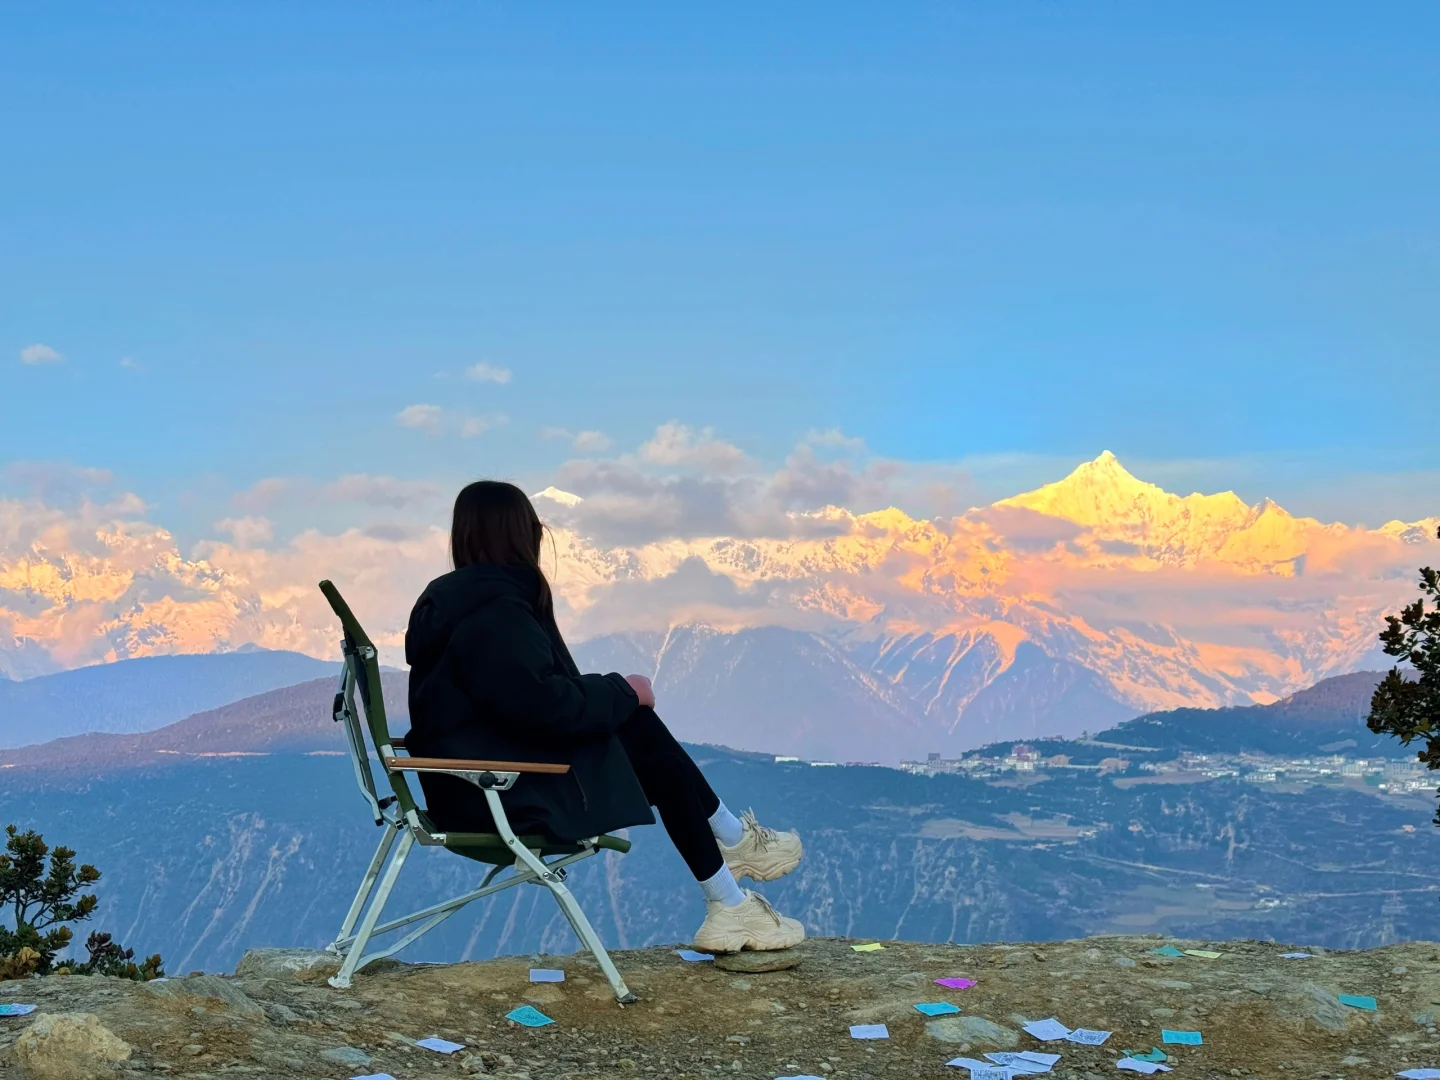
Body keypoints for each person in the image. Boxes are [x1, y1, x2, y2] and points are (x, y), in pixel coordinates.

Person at [404, 480, 806, 953]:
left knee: (634, 722)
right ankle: (730, 876)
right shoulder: (496, 613)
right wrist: (624, 691)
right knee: (637, 725)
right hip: (498, 792)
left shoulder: (462, 606)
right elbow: (544, 706)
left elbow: (524, 696)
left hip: (476, 783)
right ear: (521, 535)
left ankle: (730, 868)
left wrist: (618, 694)